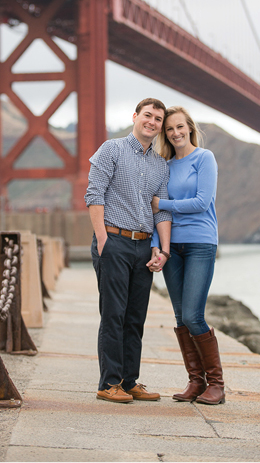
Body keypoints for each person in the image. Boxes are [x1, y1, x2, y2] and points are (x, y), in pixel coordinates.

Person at [85, 98, 173, 404]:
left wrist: (163, 249)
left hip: (143, 247)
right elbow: (94, 193)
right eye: (147, 115)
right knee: (113, 314)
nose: (152, 122)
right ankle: (108, 383)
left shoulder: (160, 165)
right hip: (114, 241)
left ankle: (129, 381)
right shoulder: (111, 149)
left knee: (135, 317)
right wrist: (102, 239)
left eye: (158, 119)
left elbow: (160, 211)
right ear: (135, 116)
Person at [150, 105, 224, 405]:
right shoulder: (164, 166)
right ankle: (196, 382)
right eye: (169, 129)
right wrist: (157, 245)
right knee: (181, 317)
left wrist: (164, 205)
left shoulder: (204, 158)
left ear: (190, 128)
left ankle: (217, 385)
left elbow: (202, 202)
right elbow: (157, 214)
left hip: (200, 243)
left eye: (180, 127)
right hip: (173, 247)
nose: (176, 133)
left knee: (194, 315)